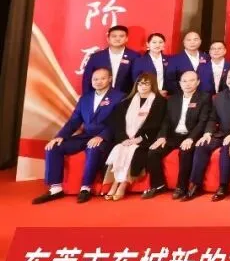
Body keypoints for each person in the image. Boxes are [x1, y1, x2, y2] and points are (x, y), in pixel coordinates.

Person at [34, 68, 125, 204]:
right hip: (86, 135)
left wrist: (102, 136)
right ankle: (55, 188)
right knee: (54, 147)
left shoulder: (119, 97)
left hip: (106, 137)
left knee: (93, 148)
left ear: (110, 79)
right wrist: (60, 136)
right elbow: (74, 120)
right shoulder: (85, 98)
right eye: (95, 79)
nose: (98, 82)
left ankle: (85, 188)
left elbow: (119, 122)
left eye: (103, 78)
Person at [188, 67, 230, 202]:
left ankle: (223, 186)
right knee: (201, 146)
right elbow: (213, 118)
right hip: (221, 133)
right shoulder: (218, 97)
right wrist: (207, 133)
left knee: (226, 149)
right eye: (229, 77)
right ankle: (195, 184)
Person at [144, 70, 212, 199]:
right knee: (153, 151)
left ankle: (181, 187)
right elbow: (166, 120)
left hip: (192, 135)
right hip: (174, 135)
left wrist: (191, 138)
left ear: (198, 82)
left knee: (185, 152)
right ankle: (158, 185)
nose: (187, 84)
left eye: (191, 80)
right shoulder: (173, 99)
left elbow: (203, 121)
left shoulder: (204, 98)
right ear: (180, 83)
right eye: (184, 81)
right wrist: (162, 136)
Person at [101, 73, 167, 201]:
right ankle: (115, 183)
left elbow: (156, 125)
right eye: (140, 83)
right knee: (120, 148)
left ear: (152, 85)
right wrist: (123, 138)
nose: (143, 86)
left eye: (147, 83)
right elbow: (118, 124)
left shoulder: (159, 102)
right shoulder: (126, 102)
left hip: (146, 140)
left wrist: (139, 138)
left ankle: (123, 184)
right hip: (126, 139)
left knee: (132, 150)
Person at [81, 24, 140, 95]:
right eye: (114, 36)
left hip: (126, 97)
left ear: (126, 38)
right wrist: (87, 98)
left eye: (121, 36)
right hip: (99, 97)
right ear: (108, 39)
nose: (117, 39)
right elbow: (87, 80)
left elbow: (138, 80)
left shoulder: (135, 56)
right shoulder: (96, 57)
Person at [166, 30, 209, 95]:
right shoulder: (174, 59)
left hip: (204, 95)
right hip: (182, 95)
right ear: (184, 42)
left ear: (200, 41)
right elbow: (170, 80)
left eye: (195, 39)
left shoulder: (207, 57)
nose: (192, 42)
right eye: (189, 40)